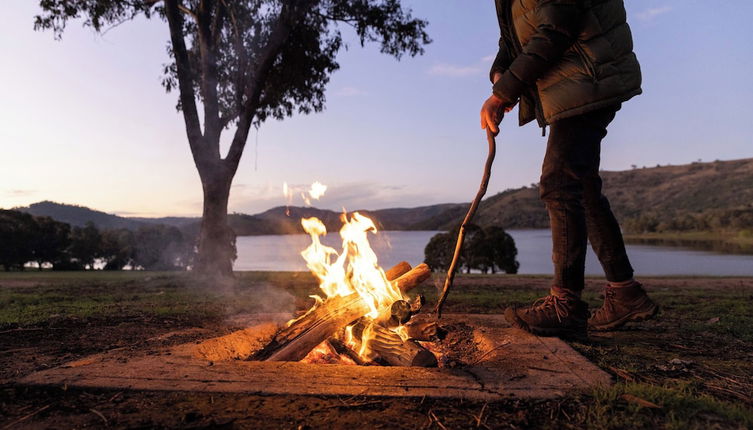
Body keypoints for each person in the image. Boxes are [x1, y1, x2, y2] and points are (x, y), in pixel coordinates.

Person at [480, 0, 658, 338]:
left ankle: (566, 306)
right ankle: (625, 293)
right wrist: (500, 75)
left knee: (559, 182)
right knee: (583, 188)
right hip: (577, 80)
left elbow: (558, 25)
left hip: (588, 75)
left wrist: (504, 93)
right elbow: (511, 39)